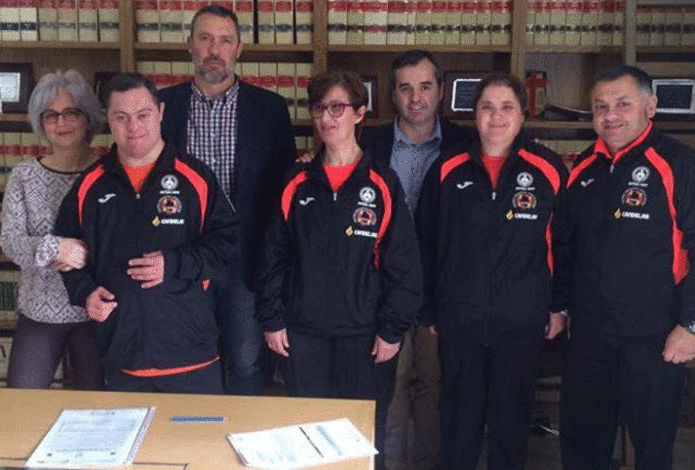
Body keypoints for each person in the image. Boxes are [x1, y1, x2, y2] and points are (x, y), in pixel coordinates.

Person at [558, 66, 695, 470]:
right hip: (589, 336)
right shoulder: (583, 167)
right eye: (600, 107)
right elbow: (566, 246)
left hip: (654, 337)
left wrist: (691, 324)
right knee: (581, 446)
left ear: (650, 106)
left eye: (622, 104)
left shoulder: (680, 163)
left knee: (652, 450)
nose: (610, 116)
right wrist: (560, 306)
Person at [257, 70, 422, 470]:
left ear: (359, 113)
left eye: (337, 108)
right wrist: (272, 319)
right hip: (303, 334)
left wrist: (392, 329)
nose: (327, 119)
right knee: (310, 435)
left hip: (365, 337)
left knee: (362, 437)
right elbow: (273, 256)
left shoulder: (382, 183)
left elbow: (403, 265)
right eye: (319, 109)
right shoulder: (297, 180)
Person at [416, 73, 569, 470]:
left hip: (521, 321)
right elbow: (426, 241)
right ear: (475, 115)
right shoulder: (447, 168)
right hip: (459, 320)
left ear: (522, 115)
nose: (496, 117)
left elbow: (565, 244)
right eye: (487, 107)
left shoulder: (548, 168)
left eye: (506, 107)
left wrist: (559, 306)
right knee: (458, 422)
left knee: (510, 423)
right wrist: (429, 308)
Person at [53, 73, 239, 393]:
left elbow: (226, 241)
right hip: (122, 358)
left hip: (192, 356)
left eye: (143, 115)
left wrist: (174, 263)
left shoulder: (195, 178)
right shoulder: (90, 185)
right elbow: (65, 250)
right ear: (108, 119)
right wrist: (85, 293)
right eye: (121, 117)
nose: (133, 127)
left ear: (161, 112)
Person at [159, 4, 297, 395]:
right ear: (189, 45)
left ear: (239, 49)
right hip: (182, 254)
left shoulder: (270, 109)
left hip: (245, 258)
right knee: (184, 360)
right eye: (205, 39)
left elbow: (283, 193)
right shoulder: (161, 107)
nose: (214, 50)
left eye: (225, 41)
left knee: (247, 361)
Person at [359, 49, 476, 470]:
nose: (416, 98)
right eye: (405, 88)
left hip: (442, 286)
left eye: (425, 87)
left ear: (441, 91)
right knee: (387, 384)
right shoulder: (367, 143)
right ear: (393, 94)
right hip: (382, 287)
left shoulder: (467, 144)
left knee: (435, 385)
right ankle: (388, 464)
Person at [1, 69, 105, 390]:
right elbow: (11, 242)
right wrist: (54, 248)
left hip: (95, 312)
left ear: (87, 118)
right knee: (22, 403)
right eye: (51, 115)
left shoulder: (107, 173)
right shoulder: (23, 176)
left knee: (95, 408)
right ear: (41, 123)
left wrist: (84, 252)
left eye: (71, 113)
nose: (61, 123)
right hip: (39, 314)